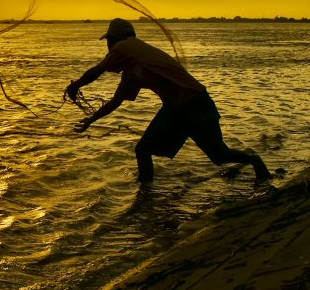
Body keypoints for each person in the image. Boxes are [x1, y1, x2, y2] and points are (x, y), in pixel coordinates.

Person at [66, 18, 271, 184]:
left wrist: (76, 86)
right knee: (143, 150)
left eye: (108, 42)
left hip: (195, 102)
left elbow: (97, 70)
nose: (108, 48)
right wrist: (91, 120)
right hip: (176, 108)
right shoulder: (131, 70)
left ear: (114, 40)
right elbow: (116, 101)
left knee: (219, 155)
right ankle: (146, 191)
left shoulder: (126, 46)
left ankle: (254, 160)